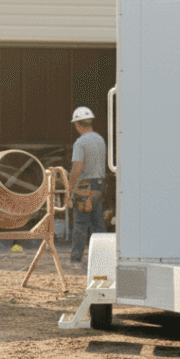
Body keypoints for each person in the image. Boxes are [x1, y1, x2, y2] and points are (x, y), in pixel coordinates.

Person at [67, 106, 107, 264]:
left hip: (85, 185)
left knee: (80, 223)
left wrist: (70, 189)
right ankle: (104, 258)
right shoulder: (100, 140)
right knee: (97, 221)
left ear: (77, 124)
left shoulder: (80, 142)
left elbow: (77, 167)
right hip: (100, 183)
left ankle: (76, 259)